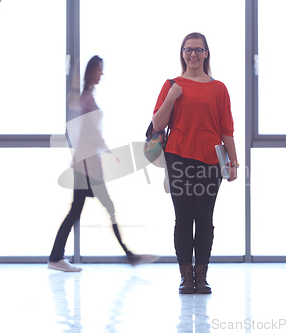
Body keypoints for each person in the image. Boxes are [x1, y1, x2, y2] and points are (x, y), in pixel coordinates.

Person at [49, 56, 157, 272]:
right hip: (86, 166)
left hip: (87, 164)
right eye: (99, 70)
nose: (101, 74)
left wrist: (105, 152)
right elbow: (89, 132)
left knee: (84, 210)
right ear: (91, 72)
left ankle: (57, 257)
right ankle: (57, 257)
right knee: (93, 209)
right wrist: (106, 152)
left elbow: (89, 133)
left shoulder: (87, 97)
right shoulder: (86, 99)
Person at [152, 32, 238, 294]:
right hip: (178, 159)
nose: (192, 54)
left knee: (204, 220)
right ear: (182, 53)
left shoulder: (218, 88)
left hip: (211, 163)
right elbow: (157, 124)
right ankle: (185, 278)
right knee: (183, 219)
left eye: (198, 50)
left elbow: (227, 129)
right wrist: (171, 97)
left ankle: (201, 277)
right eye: (187, 50)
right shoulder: (171, 85)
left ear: (206, 53)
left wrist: (233, 162)